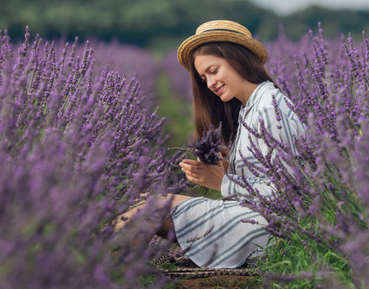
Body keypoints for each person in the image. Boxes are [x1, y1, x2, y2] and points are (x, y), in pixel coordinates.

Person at [116, 20, 305, 269]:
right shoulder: (249, 108)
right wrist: (227, 171)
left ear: (238, 60)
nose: (209, 83)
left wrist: (223, 182)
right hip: (255, 218)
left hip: (273, 230)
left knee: (151, 210)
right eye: (204, 77)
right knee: (151, 201)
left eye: (213, 70)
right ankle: (111, 266)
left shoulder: (271, 106)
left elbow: (294, 193)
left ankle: (87, 262)